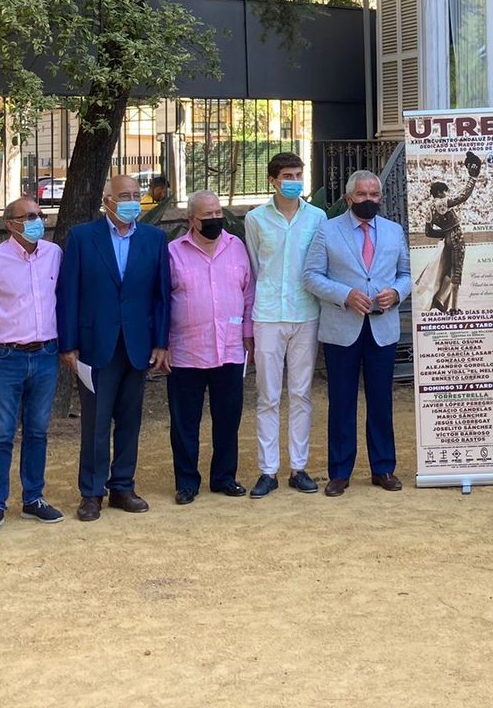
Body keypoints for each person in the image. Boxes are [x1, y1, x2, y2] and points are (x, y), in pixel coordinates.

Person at [56, 173, 171, 521]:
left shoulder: (154, 238)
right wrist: (69, 344)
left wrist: (161, 343)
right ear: (107, 200)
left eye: (136, 195)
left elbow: (162, 296)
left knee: (130, 420)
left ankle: (123, 485)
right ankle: (92, 492)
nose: (131, 201)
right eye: (124, 195)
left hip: (137, 345)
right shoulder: (81, 237)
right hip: (95, 345)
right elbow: (68, 293)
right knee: (95, 422)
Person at [303, 169, 412, 496]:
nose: (369, 200)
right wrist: (345, 295)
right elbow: (311, 276)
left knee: (381, 401)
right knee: (342, 400)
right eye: (362, 195)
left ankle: (383, 468)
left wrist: (397, 292)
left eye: (374, 195)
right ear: (349, 197)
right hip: (342, 326)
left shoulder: (394, 231)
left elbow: (406, 274)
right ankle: (339, 472)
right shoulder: (327, 230)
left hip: (383, 328)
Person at [0, 195, 64, 534]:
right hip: (6, 357)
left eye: (39, 214)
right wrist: (3, 333)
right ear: (11, 224)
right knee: (1, 434)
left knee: (38, 430)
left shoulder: (54, 255)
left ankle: (33, 499)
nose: (37, 220)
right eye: (29, 216)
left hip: (45, 355)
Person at [243, 152, 327, 497]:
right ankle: (268, 471)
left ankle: (299, 467)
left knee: (301, 393)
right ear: (272, 180)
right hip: (267, 315)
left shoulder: (318, 217)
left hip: (306, 312)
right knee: (267, 395)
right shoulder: (255, 219)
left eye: (298, 174)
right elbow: (253, 266)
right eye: (288, 175)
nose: (294, 181)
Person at [164, 190, 254, 503]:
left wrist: (248, 334)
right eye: (208, 216)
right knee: (185, 422)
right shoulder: (173, 252)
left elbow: (248, 293)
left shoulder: (236, 247)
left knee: (228, 418)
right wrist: (162, 345)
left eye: (218, 213)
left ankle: (224, 477)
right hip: (186, 352)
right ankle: (187, 482)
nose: (215, 220)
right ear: (191, 220)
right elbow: (161, 301)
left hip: (229, 349)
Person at [423, 153, 482, 315]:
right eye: (444, 192)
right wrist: (473, 178)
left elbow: (428, 232)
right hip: (456, 237)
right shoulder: (442, 202)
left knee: (449, 270)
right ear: (440, 192)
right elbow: (463, 196)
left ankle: (441, 298)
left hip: (448, 237)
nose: (446, 194)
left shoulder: (429, 208)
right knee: (456, 272)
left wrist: (444, 233)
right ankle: (453, 308)